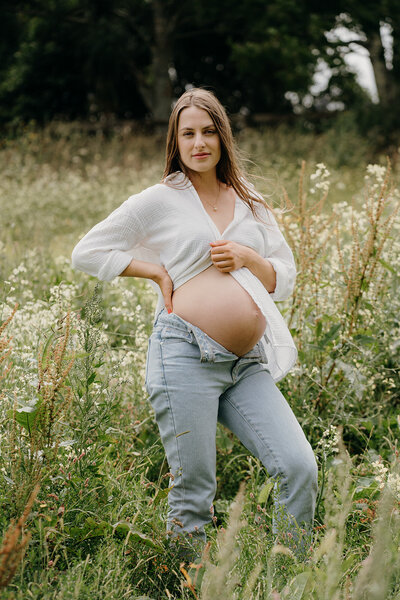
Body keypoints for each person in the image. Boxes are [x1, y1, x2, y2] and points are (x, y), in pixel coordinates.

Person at [71, 88, 318, 561]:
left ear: (222, 137)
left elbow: (283, 275)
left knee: (298, 466)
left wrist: (249, 258)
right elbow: (88, 250)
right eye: (188, 133)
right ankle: (187, 587)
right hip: (183, 354)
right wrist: (155, 271)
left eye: (208, 131)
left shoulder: (250, 201)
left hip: (245, 363)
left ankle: (288, 574)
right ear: (175, 140)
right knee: (195, 488)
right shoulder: (161, 199)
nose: (198, 142)